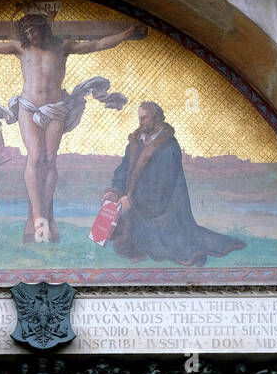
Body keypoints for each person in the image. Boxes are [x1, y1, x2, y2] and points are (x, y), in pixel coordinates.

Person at [0, 13, 144, 242]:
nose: (30, 35)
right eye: (26, 33)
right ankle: (38, 216)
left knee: (49, 159)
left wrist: (126, 34)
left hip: (55, 107)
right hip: (28, 107)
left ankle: (45, 211)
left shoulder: (62, 46)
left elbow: (96, 44)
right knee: (35, 158)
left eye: (34, 31)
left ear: (43, 29)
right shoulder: (21, 48)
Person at [102, 101, 245, 266]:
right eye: (139, 118)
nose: (141, 122)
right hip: (137, 202)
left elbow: (162, 183)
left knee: (177, 246)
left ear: (156, 119)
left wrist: (132, 200)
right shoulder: (135, 142)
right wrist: (114, 192)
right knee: (128, 243)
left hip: (166, 207)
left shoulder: (168, 146)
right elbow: (124, 169)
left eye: (145, 118)